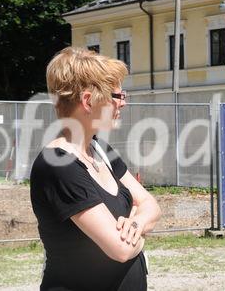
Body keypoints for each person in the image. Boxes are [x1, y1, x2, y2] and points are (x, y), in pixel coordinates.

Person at [30, 47, 161, 291]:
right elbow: (120, 249)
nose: (123, 103)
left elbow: (151, 204)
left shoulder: (101, 149)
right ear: (88, 101)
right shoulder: (58, 165)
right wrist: (143, 228)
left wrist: (136, 224)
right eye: (117, 96)